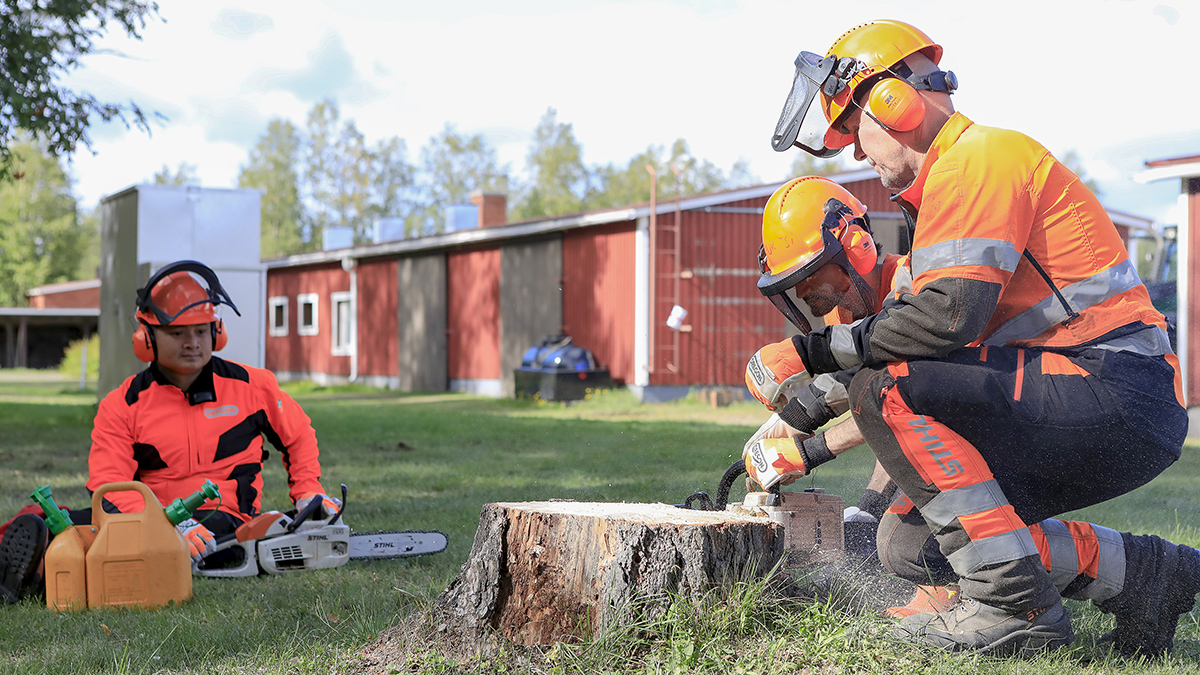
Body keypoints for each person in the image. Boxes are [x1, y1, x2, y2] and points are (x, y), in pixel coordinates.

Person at [743, 19, 1197, 657]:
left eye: (852, 127)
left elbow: (943, 323)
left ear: (889, 102)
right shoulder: (941, 202)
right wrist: (810, 417)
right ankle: (1148, 576)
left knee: (888, 387)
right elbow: (917, 353)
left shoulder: (979, 160)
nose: (854, 151)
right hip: (1081, 396)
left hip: (1115, 387)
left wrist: (808, 373)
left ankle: (1015, 609)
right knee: (909, 543)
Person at [0, 260, 343, 603]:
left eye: (201, 330)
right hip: (143, 516)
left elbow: (298, 436)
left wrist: (308, 492)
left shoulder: (254, 386)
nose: (192, 342)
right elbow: (108, 485)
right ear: (147, 337)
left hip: (223, 517)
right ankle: (33, 555)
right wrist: (167, 523)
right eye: (178, 333)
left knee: (193, 545)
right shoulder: (123, 404)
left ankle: (46, 568)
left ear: (216, 332)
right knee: (57, 522)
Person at [742, 175, 910, 554]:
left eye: (808, 274)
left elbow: (904, 405)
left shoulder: (910, 285)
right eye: (792, 280)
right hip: (941, 439)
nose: (801, 292)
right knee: (883, 534)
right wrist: (789, 424)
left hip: (998, 428)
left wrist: (808, 453)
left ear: (855, 247)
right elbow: (855, 384)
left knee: (906, 543)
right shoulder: (845, 312)